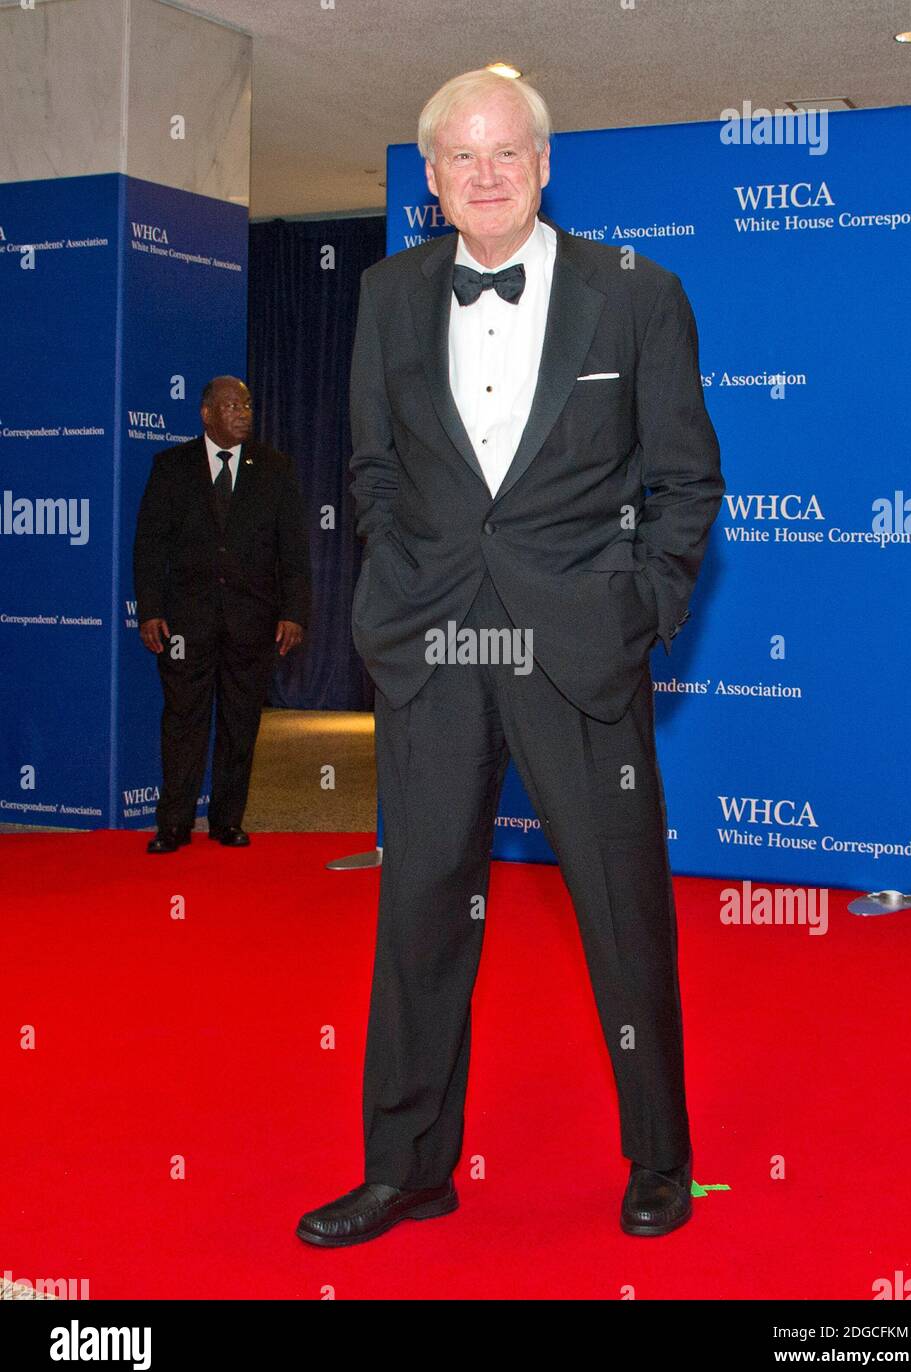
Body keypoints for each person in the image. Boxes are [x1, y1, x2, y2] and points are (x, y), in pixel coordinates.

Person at [297, 69, 723, 1247]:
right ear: (430, 180)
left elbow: (685, 480)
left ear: (543, 165)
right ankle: (406, 1168)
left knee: (620, 909)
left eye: (505, 155)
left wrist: (637, 610)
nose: (483, 178)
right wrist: (396, 569)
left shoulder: (635, 294)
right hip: (433, 643)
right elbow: (371, 466)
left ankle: (658, 1156)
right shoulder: (385, 294)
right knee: (419, 912)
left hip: (579, 645)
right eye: (460, 160)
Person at [133, 377, 310, 853]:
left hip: (251, 621)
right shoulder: (171, 467)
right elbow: (149, 547)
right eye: (232, 405)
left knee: (240, 722)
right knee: (183, 722)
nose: (243, 412)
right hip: (185, 623)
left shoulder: (275, 469)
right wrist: (149, 610)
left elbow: (293, 550)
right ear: (206, 414)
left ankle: (227, 821)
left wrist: (294, 612)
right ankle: (173, 824)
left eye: (248, 404)